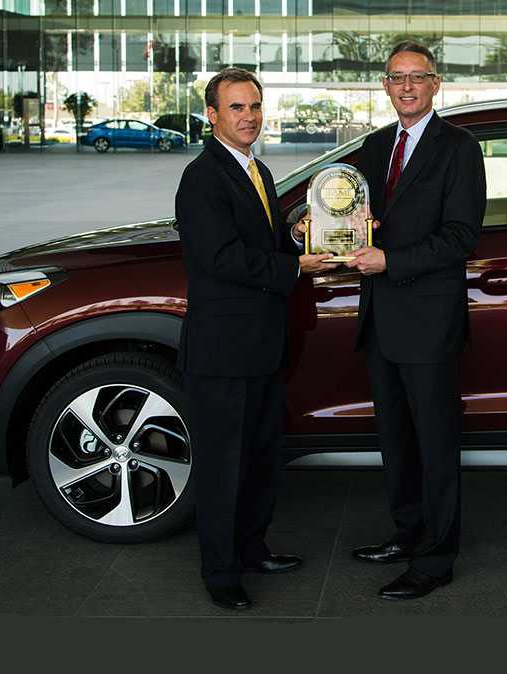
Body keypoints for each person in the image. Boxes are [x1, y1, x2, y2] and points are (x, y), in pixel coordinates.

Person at [175, 67, 332, 610]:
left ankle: (252, 548)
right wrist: (295, 267)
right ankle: (221, 574)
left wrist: (300, 238)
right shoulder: (202, 178)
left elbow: (262, 242)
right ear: (212, 116)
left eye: (255, 107)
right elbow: (218, 258)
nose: (249, 117)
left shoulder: (256, 170)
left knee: (261, 458)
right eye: (237, 108)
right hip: (223, 352)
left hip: (262, 345)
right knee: (223, 467)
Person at [345, 41, 487, 600]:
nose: (406, 86)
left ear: (436, 84)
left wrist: (391, 260)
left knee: (435, 443)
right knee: (395, 440)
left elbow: (461, 237)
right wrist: (323, 224)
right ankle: (407, 534)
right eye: (396, 77)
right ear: (385, 86)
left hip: (427, 321)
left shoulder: (460, 148)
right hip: (380, 318)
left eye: (417, 77)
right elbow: (356, 215)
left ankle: (436, 558)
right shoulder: (376, 146)